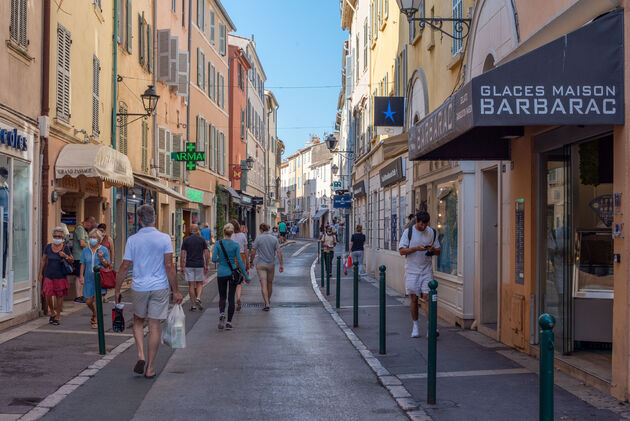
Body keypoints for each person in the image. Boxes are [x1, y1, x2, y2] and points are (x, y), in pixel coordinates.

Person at [114, 205, 183, 379]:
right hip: (159, 286)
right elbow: (169, 266)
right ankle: (150, 368)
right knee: (154, 326)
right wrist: (176, 291)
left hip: (139, 287)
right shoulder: (165, 238)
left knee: (138, 321)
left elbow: (124, 266)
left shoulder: (132, 240)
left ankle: (140, 355)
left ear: (139, 220)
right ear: (155, 217)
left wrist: (116, 289)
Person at [398, 211, 441, 338]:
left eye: (425, 224)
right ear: (417, 221)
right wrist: (416, 248)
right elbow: (401, 251)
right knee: (414, 299)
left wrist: (433, 250)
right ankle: (415, 325)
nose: (423, 227)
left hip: (426, 270)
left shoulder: (432, 232)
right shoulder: (408, 232)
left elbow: (438, 252)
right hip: (412, 271)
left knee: (428, 298)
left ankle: (430, 326)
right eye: (421, 224)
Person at [212, 223, 250, 330]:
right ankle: (229, 322)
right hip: (233, 272)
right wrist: (246, 276)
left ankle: (222, 313)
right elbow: (240, 263)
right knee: (231, 297)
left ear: (224, 232)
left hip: (221, 273)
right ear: (232, 232)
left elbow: (214, 259)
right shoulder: (235, 245)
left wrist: (222, 260)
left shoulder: (218, 244)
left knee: (222, 296)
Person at [38, 227, 74, 325]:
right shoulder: (48, 247)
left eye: (59, 236)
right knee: (47, 295)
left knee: (59, 296)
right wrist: (40, 273)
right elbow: (43, 260)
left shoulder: (65, 248)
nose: (57, 238)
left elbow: (72, 260)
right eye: (55, 236)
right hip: (48, 275)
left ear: (62, 237)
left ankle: (57, 315)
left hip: (60, 275)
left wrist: (65, 256)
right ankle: (52, 312)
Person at [79, 229, 111, 329]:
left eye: (95, 238)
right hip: (88, 278)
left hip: (99, 278)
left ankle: (96, 320)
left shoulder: (104, 250)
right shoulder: (85, 250)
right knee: (88, 301)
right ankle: (94, 313)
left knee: (98, 300)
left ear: (99, 239)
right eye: (91, 237)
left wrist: (101, 258)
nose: (92, 239)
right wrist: (81, 276)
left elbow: (108, 264)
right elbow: (83, 263)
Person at [250, 223, 283, 311]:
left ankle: (267, 303)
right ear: (268, 229)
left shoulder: (258, 238)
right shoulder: (274, 239)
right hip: (271, 264)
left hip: (261, 264)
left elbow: (253, 252)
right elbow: (279, 252)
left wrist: (251, 262)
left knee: (263, 284)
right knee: (270, 284)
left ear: (261, 229)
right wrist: (281, 264)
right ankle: (268, 300)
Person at [180, 224, 209, 311]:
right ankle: (198, 298)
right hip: (199, 264)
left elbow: (182, 254)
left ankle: (193, 305)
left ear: (190, 230)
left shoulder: (186, 240)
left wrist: (182, 266)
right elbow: (206, 253)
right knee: (200, 283)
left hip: (189, 265)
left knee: (191, 285)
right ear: (197, 230)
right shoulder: (202, 240)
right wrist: (207, 264)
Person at [72, 216, 95, 303]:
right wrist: (92, 247)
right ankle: (78, 296)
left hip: (83, 257)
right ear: (87, 223)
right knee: (79, 276)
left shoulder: (83, 230)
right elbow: (82, 243)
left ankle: (81, 295)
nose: (89, 228)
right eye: (90, 226)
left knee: (82, 276)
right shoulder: (80, 229)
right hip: (79, 256)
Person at [230, 220, 249, 312]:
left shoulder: (229, 236)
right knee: (239, 280)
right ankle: (238, 298)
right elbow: (246, 250)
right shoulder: (242, 235)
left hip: (231, 258)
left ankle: (232, 300)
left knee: (230, 279)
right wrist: (247, 262)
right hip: (241, 257)